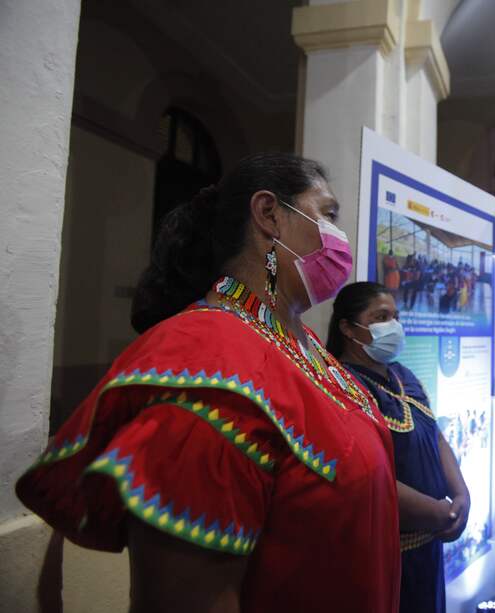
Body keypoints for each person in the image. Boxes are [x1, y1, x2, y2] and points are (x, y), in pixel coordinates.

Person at [16, 154, 401, 612]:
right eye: (329, 214)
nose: (340, 237)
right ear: (269, 214)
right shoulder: (209, 368)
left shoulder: (304, 343)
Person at [327, 282, 470, 613]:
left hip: (430, 544)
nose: (394, 325)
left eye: (396, 316)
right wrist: (441, 513)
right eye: (381, 317)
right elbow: (364, 474)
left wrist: (461, 495)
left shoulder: (402, 374)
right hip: (384, 553)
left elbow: (435, 436)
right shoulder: (340, 384)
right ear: (348, 328)